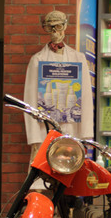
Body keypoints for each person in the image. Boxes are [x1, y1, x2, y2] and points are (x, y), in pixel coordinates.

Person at [23, 10, 93, 163]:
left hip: (73, 129)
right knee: (44, 171)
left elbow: (86, 98)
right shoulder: (37, 60)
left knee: (72, 171)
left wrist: (86, 135)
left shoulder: (78, 58)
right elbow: (30, 102)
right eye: (51, 27)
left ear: (65, 26)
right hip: (45, 131)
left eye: (59, 26)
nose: (55, 31)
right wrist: (35, 139)